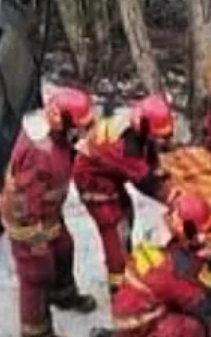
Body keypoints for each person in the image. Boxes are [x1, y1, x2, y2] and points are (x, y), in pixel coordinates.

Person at [90, 191, 211, 337]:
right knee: (192, 331)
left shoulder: (160, 235)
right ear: (185, 229)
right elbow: (196, 303)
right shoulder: (173, 267)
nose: (203, 237)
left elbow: (179, 263)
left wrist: (199, 255)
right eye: (200, 232)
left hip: (133, 312)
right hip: (142, 322)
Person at [0, 87, 99, 337]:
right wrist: (35, 242)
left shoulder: (57, 137)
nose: (83, 133)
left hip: (47, 211)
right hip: (28, 220)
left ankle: (62, 294)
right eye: (80, 127)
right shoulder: (38, 154)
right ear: (63, 124)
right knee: (36, 273)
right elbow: (24, 199)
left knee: (63, 247)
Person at [74, 94, 174, 295]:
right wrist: (173, 199)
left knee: (126, 215)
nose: (159, 140)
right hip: (94, 182)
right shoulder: (125, 147)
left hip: (107, 173)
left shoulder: (137, 122)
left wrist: (156, 167)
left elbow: (149, 148)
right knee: (114, 229)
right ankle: (120, 288)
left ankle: (125, 263)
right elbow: (145, 182)